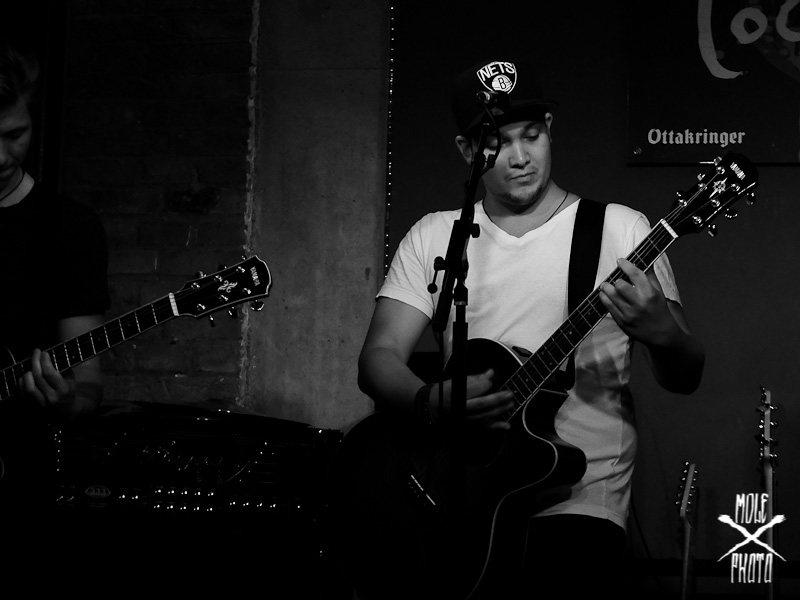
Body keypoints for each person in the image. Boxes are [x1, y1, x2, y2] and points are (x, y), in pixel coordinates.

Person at [349, 58, 706, 599]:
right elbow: (377, 359)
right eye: (497, 143)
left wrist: (665, 334)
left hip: (579, 496)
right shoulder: (436, 237)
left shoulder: (620, 230)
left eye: (532, 136)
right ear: (467, 151)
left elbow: (685, 375)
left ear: (549, 131)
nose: (519, 157)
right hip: (462, 493)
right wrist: (429, 403)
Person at [0, 41, 110, 523]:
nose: (0, 157)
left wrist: (66, 403)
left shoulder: (68, 228)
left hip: (17, 479)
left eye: (14, 134)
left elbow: (87, 384)